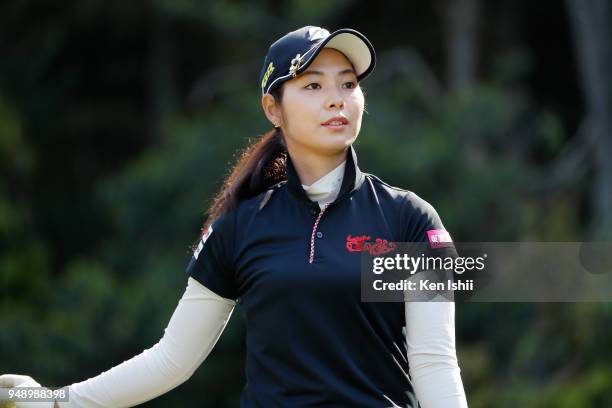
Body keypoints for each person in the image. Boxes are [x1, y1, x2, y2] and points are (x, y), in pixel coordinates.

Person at [0, 26, 468, 407]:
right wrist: (54, 402)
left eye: (348, 83)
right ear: (273, 108)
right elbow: (173, 360)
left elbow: (433, 363)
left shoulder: (410, 220)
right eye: (313, 85)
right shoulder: (241, 226)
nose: (337, 98)